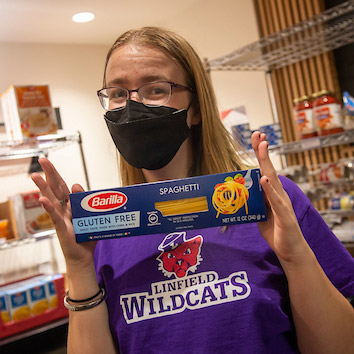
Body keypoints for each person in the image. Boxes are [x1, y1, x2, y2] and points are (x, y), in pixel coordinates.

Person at [31, 27, 354, 354]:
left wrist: (296, 258)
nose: (133, 106)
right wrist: (79, 268)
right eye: (117, 93)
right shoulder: (106, 231)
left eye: (155, 88)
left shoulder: (269, 201)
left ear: (196, 109)